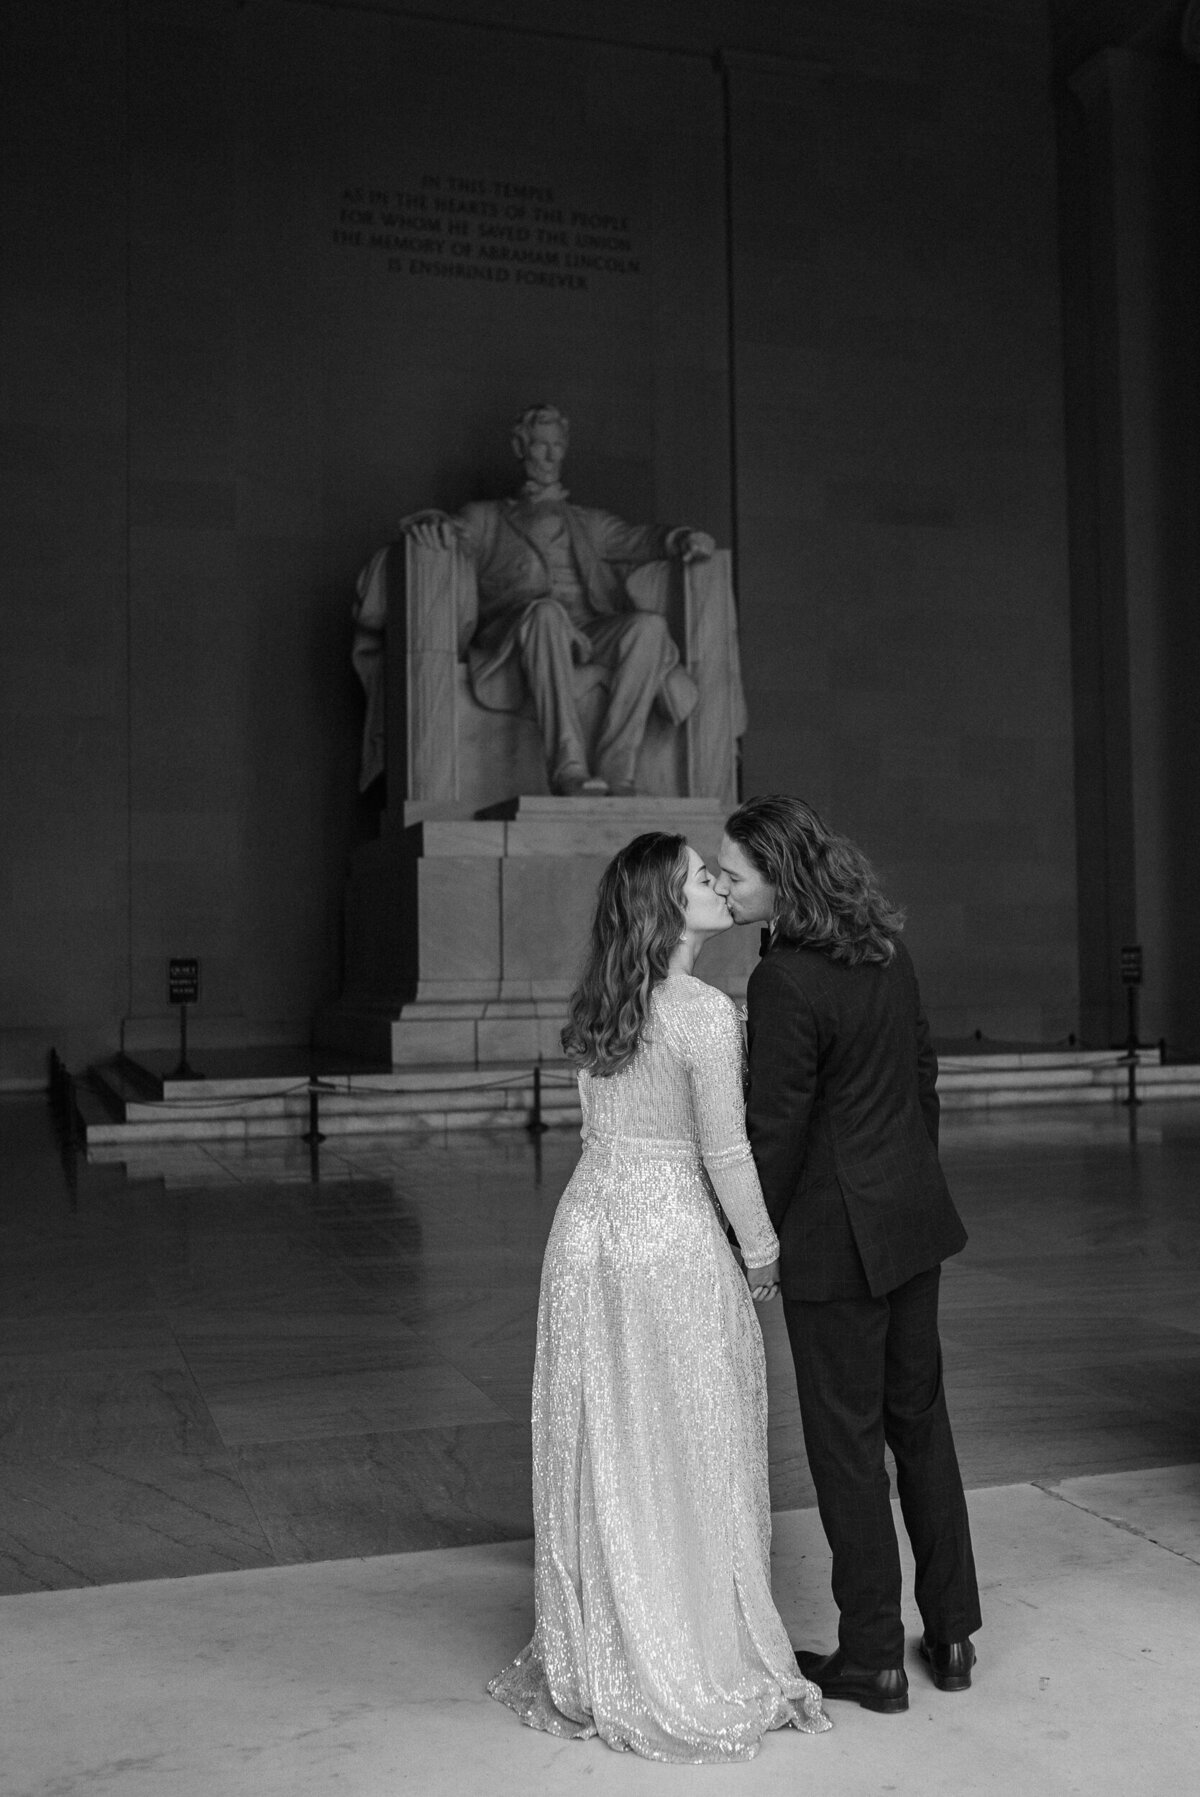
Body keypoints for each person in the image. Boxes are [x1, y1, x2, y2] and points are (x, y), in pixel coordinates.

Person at [488, 832, 831, 1761]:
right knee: (686, 1439)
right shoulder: (706, 1013)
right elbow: (724, 1151)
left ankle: (607, 1648)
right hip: (669, 1242)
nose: (718, 884)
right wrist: (761, 1250)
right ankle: (681, 1648)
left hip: (587, 1237)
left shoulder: (602, 1001)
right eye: (700, 877)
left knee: (610, 1443)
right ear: (666, 906)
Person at [715, 795, 981, 1713]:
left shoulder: (784, 979)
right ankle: (950, 1631)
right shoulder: (884, 947)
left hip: (835, 1243)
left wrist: (743, 1234)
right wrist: (908, 1178)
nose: (721, 883)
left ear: (779, 878)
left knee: (847, 1447)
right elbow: (921, 1076)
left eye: (733, 873)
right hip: (912, 1221)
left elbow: (774, 1131)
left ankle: (870, 1654)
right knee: (922, 1423)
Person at [404, 404, 714, 796]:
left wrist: (681, 539)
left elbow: (642, 539)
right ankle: (569, 769)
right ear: (520, 448)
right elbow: (450, 528)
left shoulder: (590, 522)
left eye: (557, 445)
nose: (550, 455)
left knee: (648, 627)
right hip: (520, 634)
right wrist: (434, 528)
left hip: (587, 630)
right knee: (546, 613)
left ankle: (618, 771)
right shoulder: (489, 517)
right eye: (540, 445)